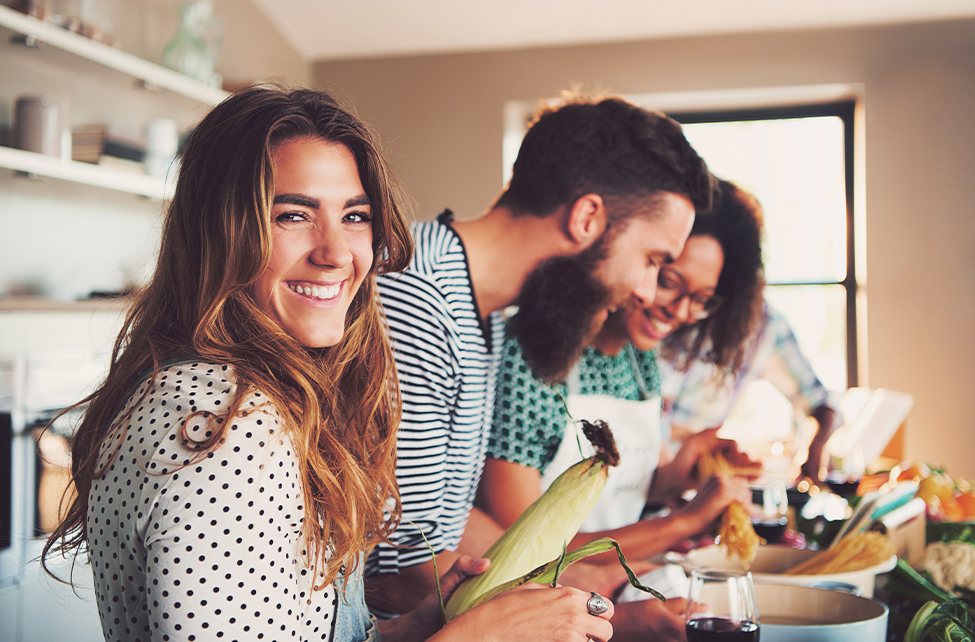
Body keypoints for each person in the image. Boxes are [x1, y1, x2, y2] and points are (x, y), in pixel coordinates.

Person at [41, 85, 615, 642]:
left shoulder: (249, 397)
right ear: (219, 230)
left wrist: (411, 630)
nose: (337, 252)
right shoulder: (223, 426)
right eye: (293, 214)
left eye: (355, 216)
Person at [365, 94, 714, 617]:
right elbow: (399, 570)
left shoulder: (484, 314)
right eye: (651, 260)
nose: (645, 291)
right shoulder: (418, 299)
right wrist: (604, 611)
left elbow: (446, 522)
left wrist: (593, 580)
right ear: (587, 217)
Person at [479, 181, 765, 639]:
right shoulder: (533, 356)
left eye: (701, 299)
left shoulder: (640, 360)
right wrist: (685, 521)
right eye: (668, 280)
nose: (680, 311)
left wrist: (685, 474)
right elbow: (523, 547)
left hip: (613, 586)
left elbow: (623, 492)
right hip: (542, 607)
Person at [660, 300, 841, 483]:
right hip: (646, 470)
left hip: (683, 479)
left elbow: (819, 400)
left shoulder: (766, 325)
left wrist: (815, 448)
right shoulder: (673, 305)